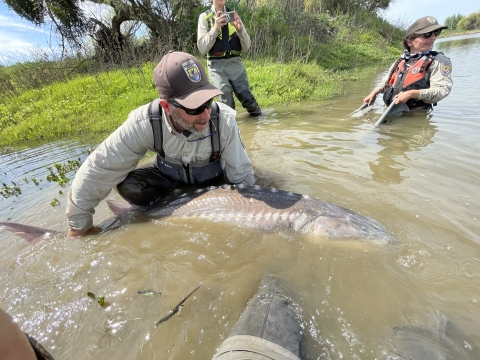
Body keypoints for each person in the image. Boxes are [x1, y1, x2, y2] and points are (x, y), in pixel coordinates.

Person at [66, 51, 255, 238]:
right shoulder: (146, 122)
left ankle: (164, 210)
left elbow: (243, 178)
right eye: (195, 107)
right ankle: (161, 210)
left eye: (208, 102)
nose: (206, 115)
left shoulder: (224, 120)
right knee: (128, 185)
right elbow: (98, 169)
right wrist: (78, 227)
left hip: (214, 185)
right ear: (167, 106)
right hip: (170, 182)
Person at [363, 16, 452, 112]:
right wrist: (374, 92)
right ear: (410, 41)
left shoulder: (439, 61)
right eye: (427, 34)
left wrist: (413, 94)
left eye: (436, 33)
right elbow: (386, 82)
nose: (433, 37)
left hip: (415, 115)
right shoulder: (400, 61)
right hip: (390, 111)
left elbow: (442, 90)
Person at [197, 0, 262, 117]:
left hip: (235, 63)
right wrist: (215, 28)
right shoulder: (204, 17)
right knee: (227, 105)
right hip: (216, 66)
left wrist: (240, 30)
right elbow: (202, 49)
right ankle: (229, 133)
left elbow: (247, 46)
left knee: (249, 102)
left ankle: (259, 126)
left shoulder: (234, 15)